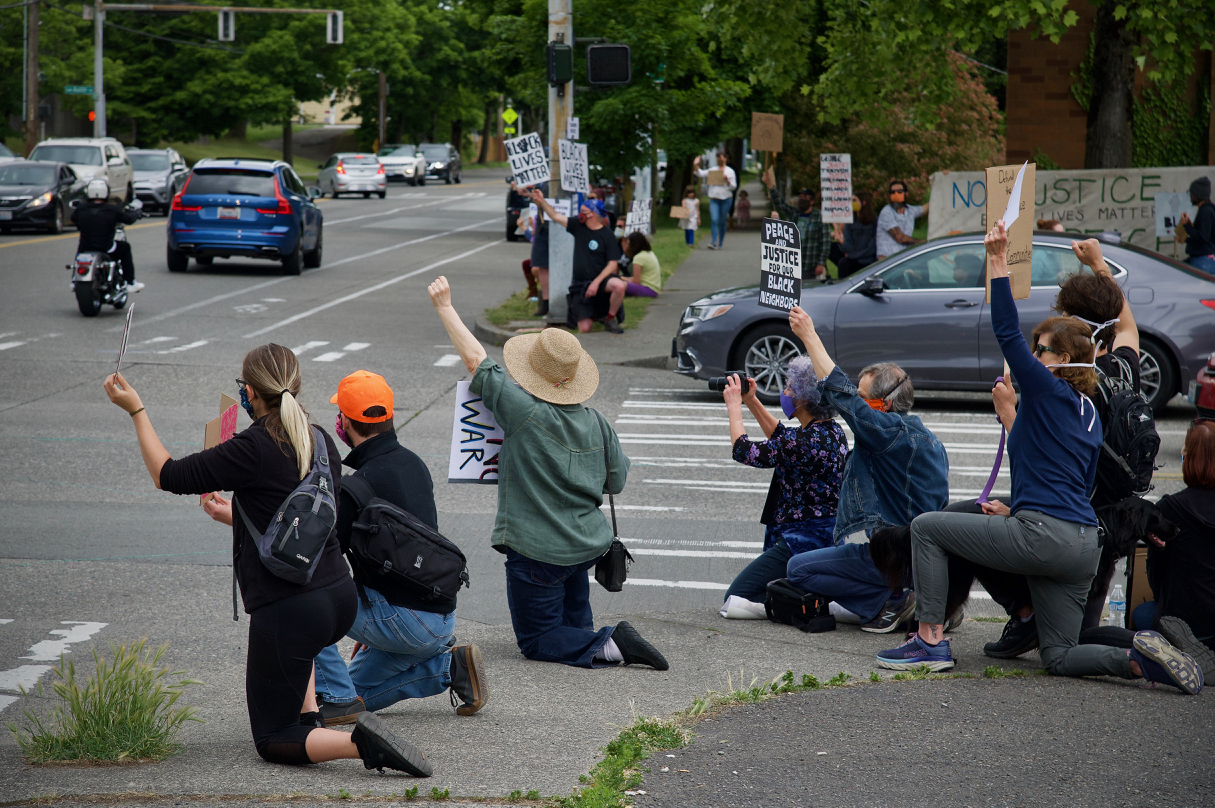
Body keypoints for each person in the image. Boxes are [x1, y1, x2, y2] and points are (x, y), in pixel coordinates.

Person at [879, 221, 1203, 696]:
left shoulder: (1048, 391)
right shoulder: (1089, 410)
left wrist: (996, 260)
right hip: (1082, 546)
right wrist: (1016, 490)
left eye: (1042, 350)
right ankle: (1135, 659)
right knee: (1060, 654)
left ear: (1064, 358)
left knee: (928, 526)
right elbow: (1060, 474)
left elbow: (1006, 330)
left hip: (1045, 537)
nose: (1034, 354)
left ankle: (929, 641)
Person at [101, 346, 432, 775]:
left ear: (251, 392)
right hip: (337, 595)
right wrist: (235, 515)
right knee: (297, 670)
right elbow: (301, 523)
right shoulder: (320, 437)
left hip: (292, 608)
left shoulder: (253, 446)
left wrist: (136, 410)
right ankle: (312, 718)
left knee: (273, 739)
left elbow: (167, 474)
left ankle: (362, 745)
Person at [427, 276, 668, 671]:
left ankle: (613, 642)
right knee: (573, 624)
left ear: (532, 374)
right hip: (584, 545)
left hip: (538, 552)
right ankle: (591, 642)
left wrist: (445, 307)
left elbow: (478, 364)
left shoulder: (526, 413)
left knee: (537, 638)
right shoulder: (598, 422)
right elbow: (616, 482)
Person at [982, 236, 1145, 655]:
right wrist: (1099, 266)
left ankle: (1030, 618)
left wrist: (1009, 415)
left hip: (1072, 513)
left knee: (1070, 638)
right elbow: (1125, 324)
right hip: (1115, 514)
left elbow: (1054, 447)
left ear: (1070, 320)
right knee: (1078, 629)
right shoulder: (1123, 363)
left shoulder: (1074, 380)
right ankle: (1146, 646)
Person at [311, 370, 488, 723]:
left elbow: (319, 561)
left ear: (343, 422)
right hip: (439, 615)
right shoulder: (414, 464)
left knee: (305, 602)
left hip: (402, 620)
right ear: (389, 416)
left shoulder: (358, 486)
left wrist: (365, 614)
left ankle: (335, 697)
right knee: (352, 694)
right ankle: (449, 667)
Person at [783, 308, 950, 632]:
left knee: (798, 569)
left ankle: (891, 602)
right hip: (925, 562)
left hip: (895, 559)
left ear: (883, 403)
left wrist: (809, 336)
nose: (856, 403)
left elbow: (841, 394)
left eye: (863, 398)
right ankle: (922, 598)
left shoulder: (884, 434)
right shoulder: (927, 439)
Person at [718, 359, 847, 615]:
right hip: (826, 536)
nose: (784, 393)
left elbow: (743, 451)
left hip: (801, 542)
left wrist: (734, 405)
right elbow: (782, 438)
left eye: (789, 388)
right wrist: (751, 400)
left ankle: (812, 607)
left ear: (803, 399)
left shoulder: (804, 443)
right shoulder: (832, 432)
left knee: (735, 598)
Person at [1133, 418, 1215, 678]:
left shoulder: (1170, 509)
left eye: (1185, 450)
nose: (1181, 453)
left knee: (1143, 615)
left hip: (1184, 618)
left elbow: (1155, 573)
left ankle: (1184, 652)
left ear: (1191, 458)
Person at [530, 190, 626, 334]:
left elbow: (612, 264)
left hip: (600, 282)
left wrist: (596, 282)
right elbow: (555, 216)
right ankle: (594, 314)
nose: (579, 214)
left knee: (619, 285)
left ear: (592, 214)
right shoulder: (577, 226)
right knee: (584, 328)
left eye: (583, 211)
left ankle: (610, 319)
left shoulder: (607, 235)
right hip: (581, 285)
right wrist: (542, 201)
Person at [71, 178, 143, 292]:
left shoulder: (81, 209)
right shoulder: (112, 209)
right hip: (106, 248)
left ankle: (74, 279)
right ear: (106, 192)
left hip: (86, 248)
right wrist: (136, 213)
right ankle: (130, 282)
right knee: (125, 248)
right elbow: (128, 219)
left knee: (81, 246)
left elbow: (73, 218)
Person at [762, 167, 829, 280]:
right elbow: (780, 204)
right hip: (793, 263)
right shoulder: (794, 213)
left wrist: (821, 263)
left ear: (812, 201)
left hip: (810, 264)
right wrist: (770, 186)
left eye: (805, 197)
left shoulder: (820, 217)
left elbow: (825, 242)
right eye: (800, 197)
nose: (801, 199)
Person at [692, 151, 737, 249]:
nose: (719, 160)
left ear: (725, 158)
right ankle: (713, 242)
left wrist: (727, 180)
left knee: (722, 221)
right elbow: (700, 173)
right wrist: (695, 165)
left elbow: (733, 187)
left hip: (726, 199)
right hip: (714, 199)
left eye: (720, 158)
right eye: (717, 158)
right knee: (714, 219)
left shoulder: (730, 171)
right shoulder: (713, 170)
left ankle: (720, 242)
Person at [875, 179, 928, 261]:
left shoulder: (910, 210)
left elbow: (926, 208)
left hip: (902, 261)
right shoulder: (886, 212)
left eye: (899, 191)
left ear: (906, 194)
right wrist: (924, 243)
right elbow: (900, 238)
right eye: (892, 192)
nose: (896, 194)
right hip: (887, 262)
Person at [829, 192, 877, 278]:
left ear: (864, 202)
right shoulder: (849, 222)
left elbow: (872, 246)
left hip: (870, 260)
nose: (851, 203)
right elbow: (848, 247)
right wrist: (842, 242)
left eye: (854, 200)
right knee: (843, 263)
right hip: (854, 260)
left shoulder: (875, 221)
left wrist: (853, 255)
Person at [1175, 176, 1215, 275]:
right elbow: (1202, 237)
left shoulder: (1205, 212)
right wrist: (1186, 240)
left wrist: (1186, 226)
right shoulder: (1206, 210)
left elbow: (1202, 238)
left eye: (1191, 194)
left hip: (1202, 261)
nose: (1191, 197)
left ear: (1196, 195)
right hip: (1201, 259)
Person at [527, 183, 551, 317]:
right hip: (542, 228)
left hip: (557, 227)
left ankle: (555, 301)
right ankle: (546, 303)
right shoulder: (542, 182)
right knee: (541, 266)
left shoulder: (553, 181)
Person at [621, 231, 661, 298]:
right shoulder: (649, 253)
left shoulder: (639, 257)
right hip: (654, 289)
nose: (628, 246)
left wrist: (622, 279)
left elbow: (635, 281)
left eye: (628, 243)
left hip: (648, 290)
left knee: (619, 284)